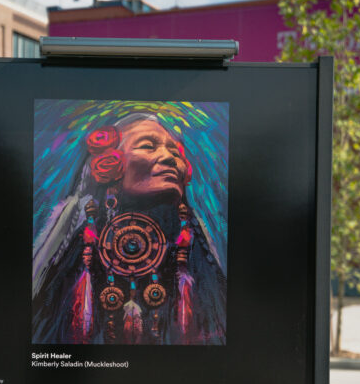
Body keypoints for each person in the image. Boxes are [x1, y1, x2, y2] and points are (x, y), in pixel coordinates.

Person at [32, 111, 226, 345]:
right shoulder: (81, 247)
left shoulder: (193, 251)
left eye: (175, 152)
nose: (169, 157)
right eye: (147, 146)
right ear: (109, 163)